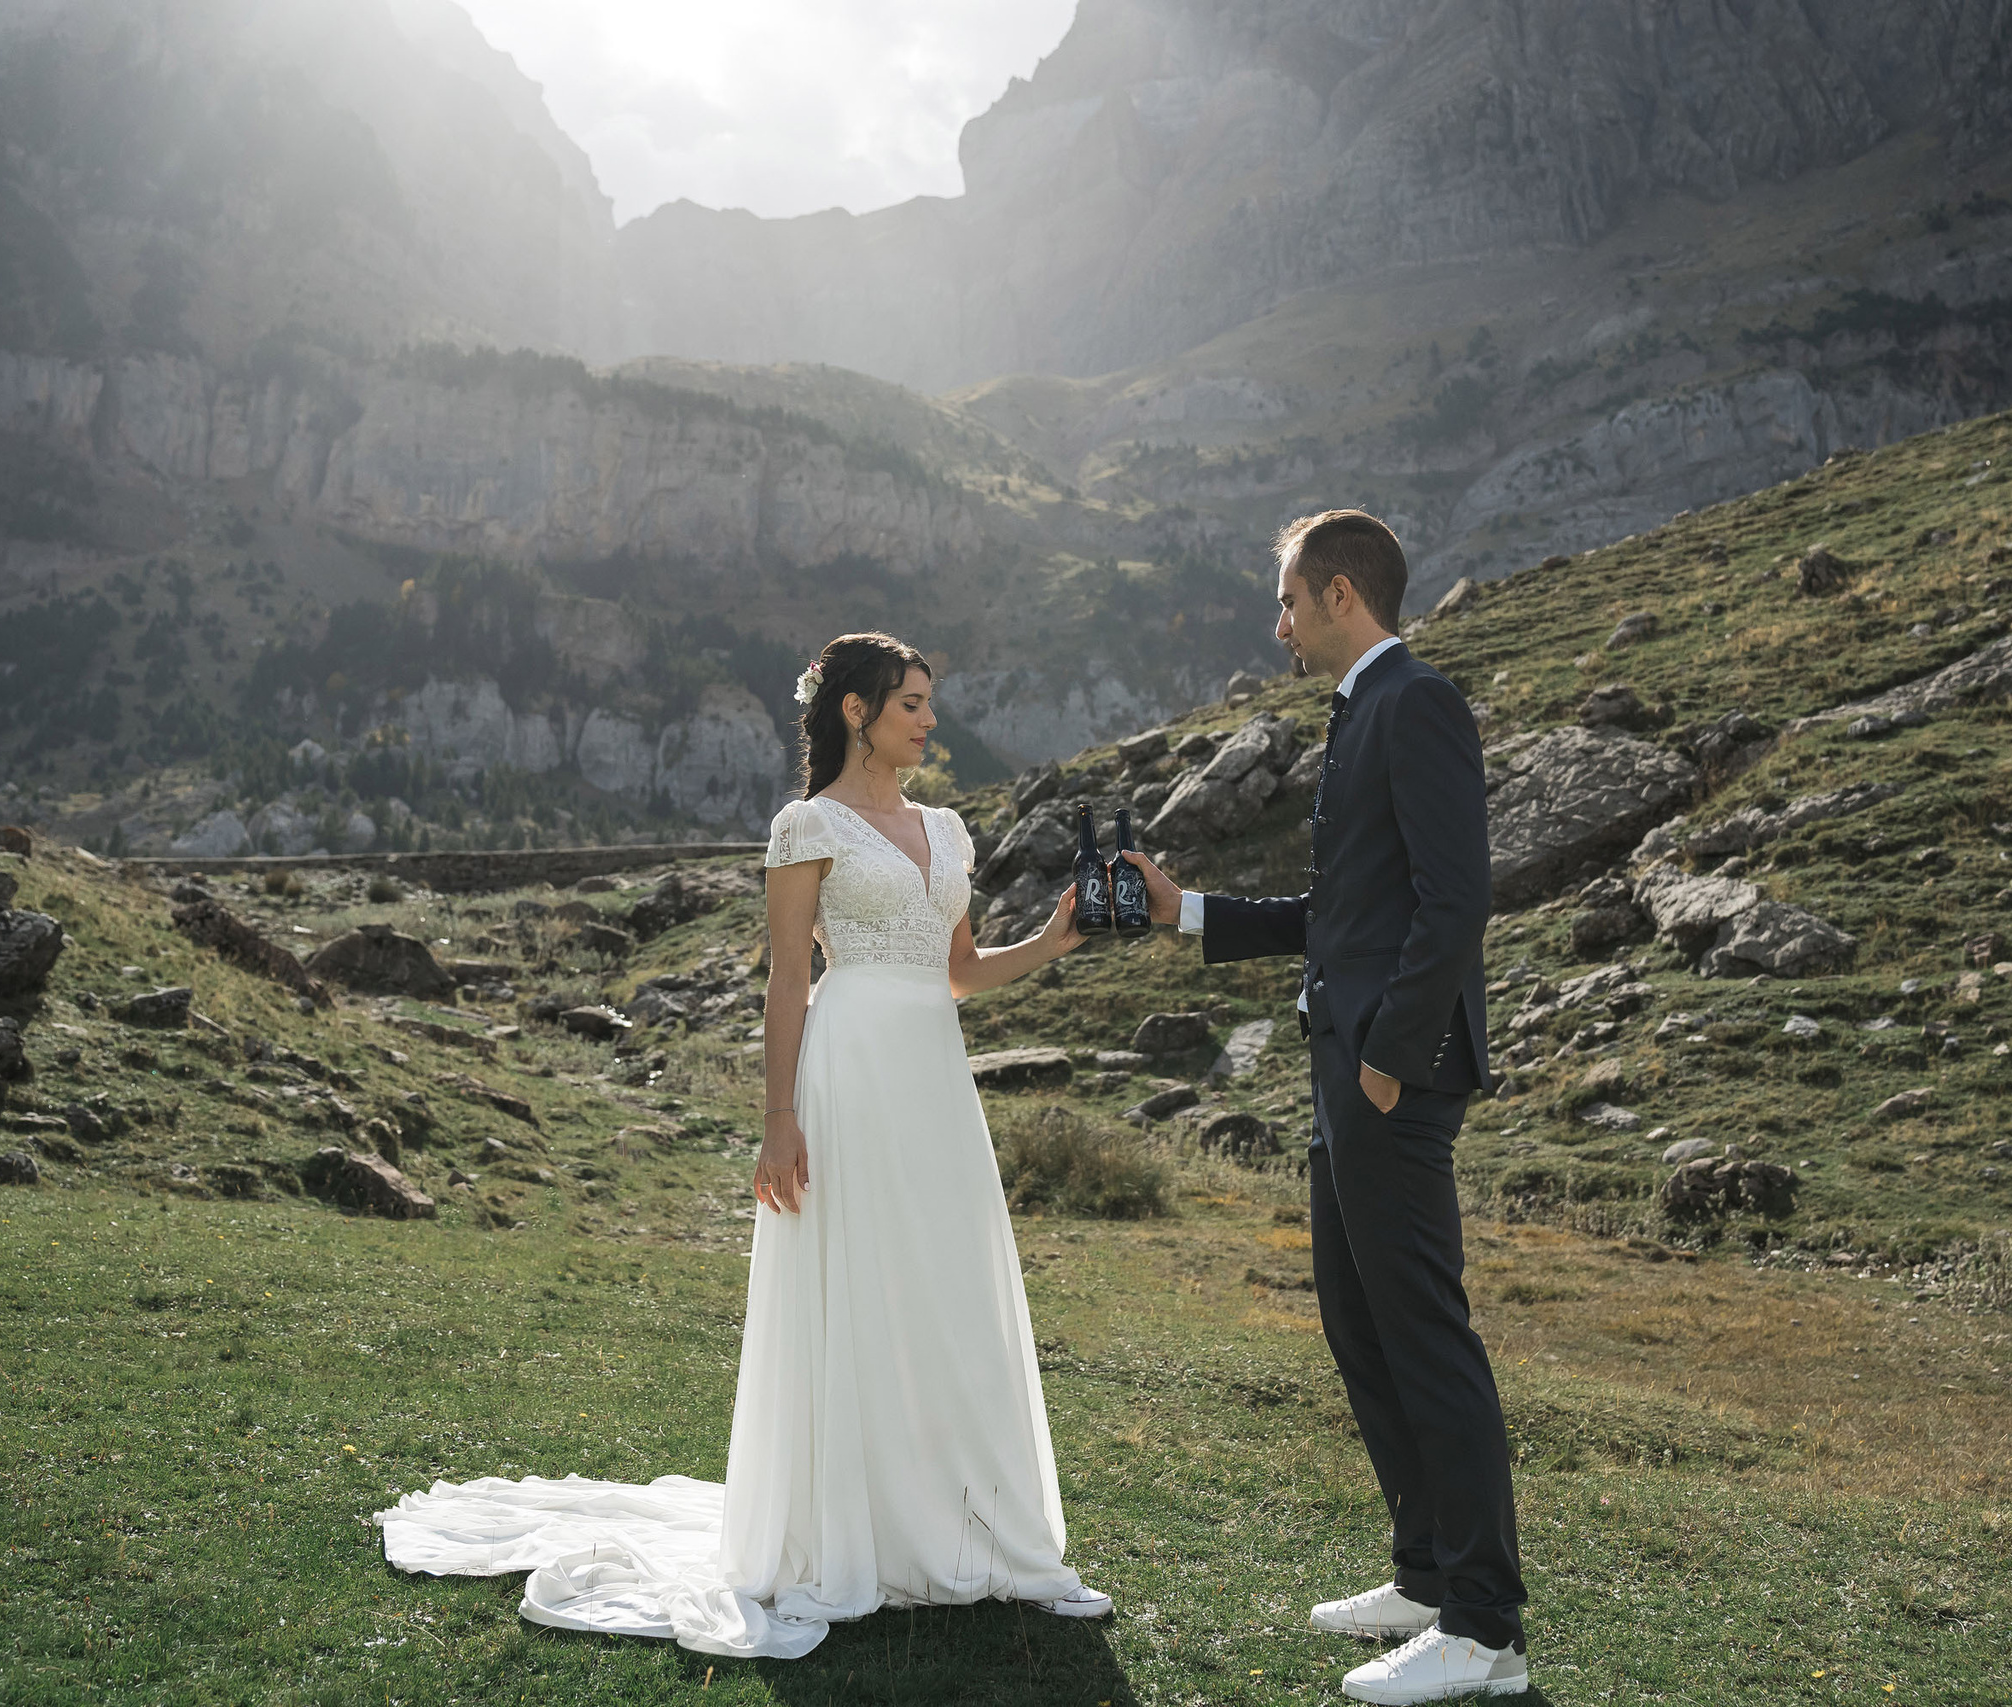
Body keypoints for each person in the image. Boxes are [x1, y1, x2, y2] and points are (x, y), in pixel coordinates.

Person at [374, 631, 1110, 1656]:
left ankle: (995, 1542)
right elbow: (785, 978)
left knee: (946, 1286)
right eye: (910, 704)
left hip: (935, 1082)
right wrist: (777, 1119)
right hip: (846, 1073)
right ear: (854, 711)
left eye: (929, 704)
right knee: (856, 1287)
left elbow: (957, 971)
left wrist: (1051, 942)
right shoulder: (807, 825)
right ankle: (840, 1538)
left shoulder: (947, 829)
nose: (929, 721)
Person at [1124, 511, 1529, 1705]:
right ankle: (1423, 1575)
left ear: (1340, 593)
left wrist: (1391, 1061)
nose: (1279, 624)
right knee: (1361, 1328)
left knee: (1423, 1333)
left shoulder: (1418, 704)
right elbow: (1340, 910)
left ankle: (1486, 1631)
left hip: (1387, 1078)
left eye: (1288, 601)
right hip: (1342, 1071)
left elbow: (1457, 904)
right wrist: (1185, 913)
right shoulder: (1364, 711)